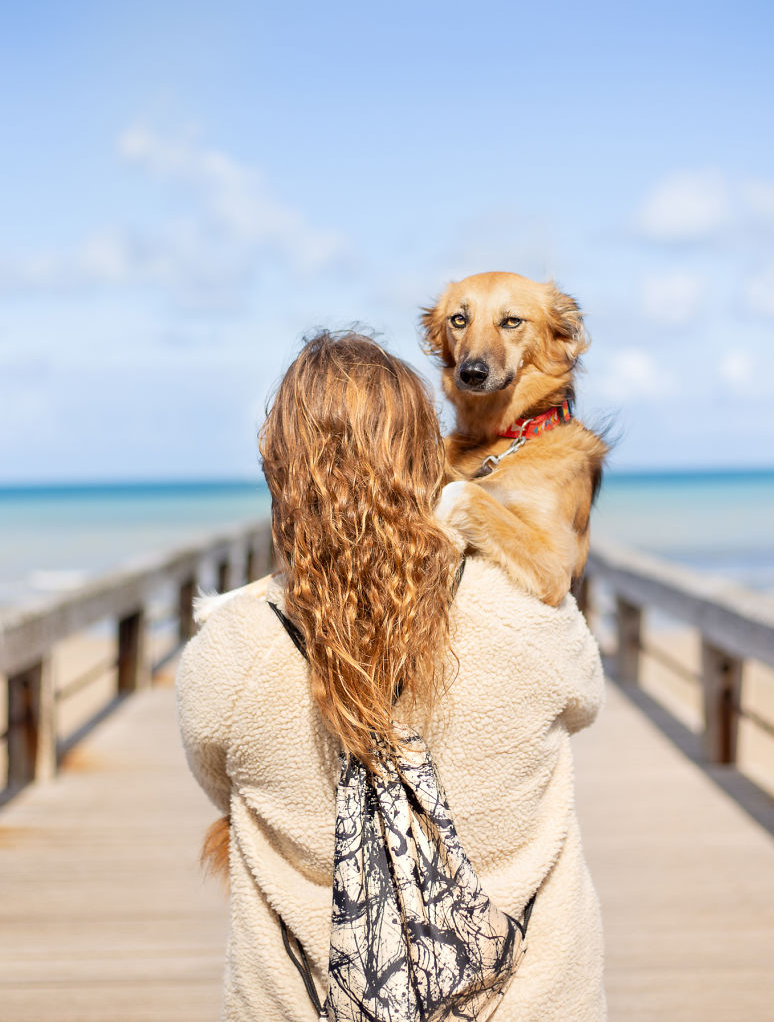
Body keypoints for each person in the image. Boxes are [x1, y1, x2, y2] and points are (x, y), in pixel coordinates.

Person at [176, 331, 606, 1021]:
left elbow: (216, 779)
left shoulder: (234, 648)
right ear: (428, 461)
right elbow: (586, 698)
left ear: (279, 474)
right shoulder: (524, 614)